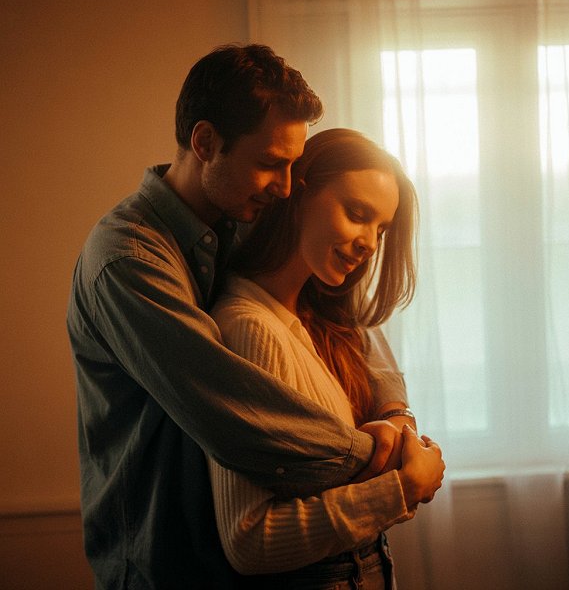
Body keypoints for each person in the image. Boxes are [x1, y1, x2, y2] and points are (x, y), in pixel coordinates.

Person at [66, 44, 429, 589]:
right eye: (270, 164)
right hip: (160, 563)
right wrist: (381, 460)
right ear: (205, 143)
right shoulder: (128, 260)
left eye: (293, 165)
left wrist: (396, 413)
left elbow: (342, 313)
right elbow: (232, 410)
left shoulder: (240, 218)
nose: (286, 186)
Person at [209, 128, 445, 589]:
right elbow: (249, 540)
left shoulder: (319, 315)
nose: (370, 243)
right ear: (298, 194)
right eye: (357, 214)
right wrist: (402, 489)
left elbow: (375, 352)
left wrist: (397, 418)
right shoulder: (251, 330)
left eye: (381, 229)